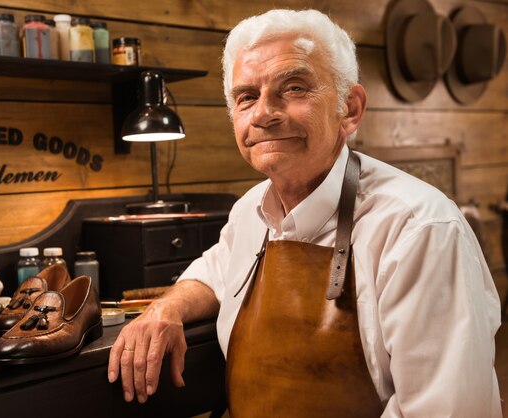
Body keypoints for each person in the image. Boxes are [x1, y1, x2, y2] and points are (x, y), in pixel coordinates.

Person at [108, 9, 502, 416]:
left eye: (293, 88)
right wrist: (165, 309)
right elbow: (212, 274)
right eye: (247, 97)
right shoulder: (249, 212)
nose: (263, 113)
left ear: (349, 108)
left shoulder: (420, 229)